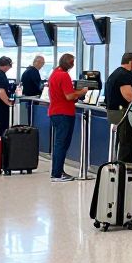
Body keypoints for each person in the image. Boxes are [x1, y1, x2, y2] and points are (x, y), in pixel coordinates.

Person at [47, 54, 88, 183]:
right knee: (62, 144)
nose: (73, 65)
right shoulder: (64, 76)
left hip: (55, 112)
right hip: (64, 113)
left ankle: (58, 170)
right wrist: (82, 92)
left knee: (59, 143)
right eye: (72, 62)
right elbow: (69, 96)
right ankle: (57, 174)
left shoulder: (54, 73)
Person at [105, 53, 132, 164]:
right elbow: (129, 96)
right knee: (126, 144)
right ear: (131, 62)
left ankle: (118, 166)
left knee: (119, 142)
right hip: (122, 114)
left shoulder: (115, 73)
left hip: (113, 113)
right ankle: (123, 169)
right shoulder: (125, 75)